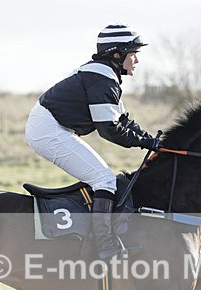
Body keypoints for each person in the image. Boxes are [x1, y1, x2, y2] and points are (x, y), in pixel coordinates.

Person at [25, 24, 161, 259]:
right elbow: (110, 131)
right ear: (117, 55)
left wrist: (153, 141)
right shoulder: (101, 80)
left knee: (103, 178)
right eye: (133, 54)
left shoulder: (105, 77)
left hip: (53, 127)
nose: (137, 60)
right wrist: (145, 144)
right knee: (104, 180)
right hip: (48, 130)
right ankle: (105, 244)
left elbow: (123, 121)